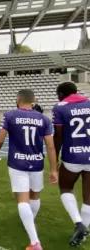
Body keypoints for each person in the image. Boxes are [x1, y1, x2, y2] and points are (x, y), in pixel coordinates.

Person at [0, 89, 58, 250]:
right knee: (35, 195)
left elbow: (0, 138)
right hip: (36, 163)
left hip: (18, 163)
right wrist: (54, 169)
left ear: (18, 99)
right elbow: (50, 146)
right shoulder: (44, 119)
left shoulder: (10, 115)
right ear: (33, 101)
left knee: (22, 199)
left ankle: (35, 242)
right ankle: (30, 221)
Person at [52, 81, 90, 246]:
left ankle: (78, 224)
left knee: (66, 188)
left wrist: (55, 156)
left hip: (72, 156)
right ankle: (83, 232)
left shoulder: (60, 107)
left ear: (61, 94)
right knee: (88, 198)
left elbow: (58, 135)